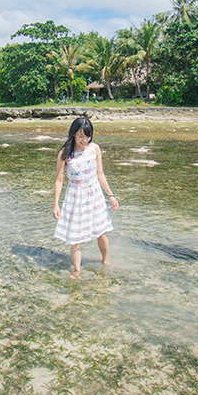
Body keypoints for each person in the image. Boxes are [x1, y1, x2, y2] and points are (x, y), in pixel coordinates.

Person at [53, 117, 119, 279]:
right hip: (75, 196)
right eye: (81, 135)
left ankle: (105, 260)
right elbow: (59, 180)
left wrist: (110, 195)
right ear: (74, 134)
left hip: (94, 194)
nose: (84, 139)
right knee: (76, 238)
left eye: (87, 136)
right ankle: (77, 271)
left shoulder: (95, 149)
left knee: (101, 233)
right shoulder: (65, 154)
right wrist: (56, 204)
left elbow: (100, 174)